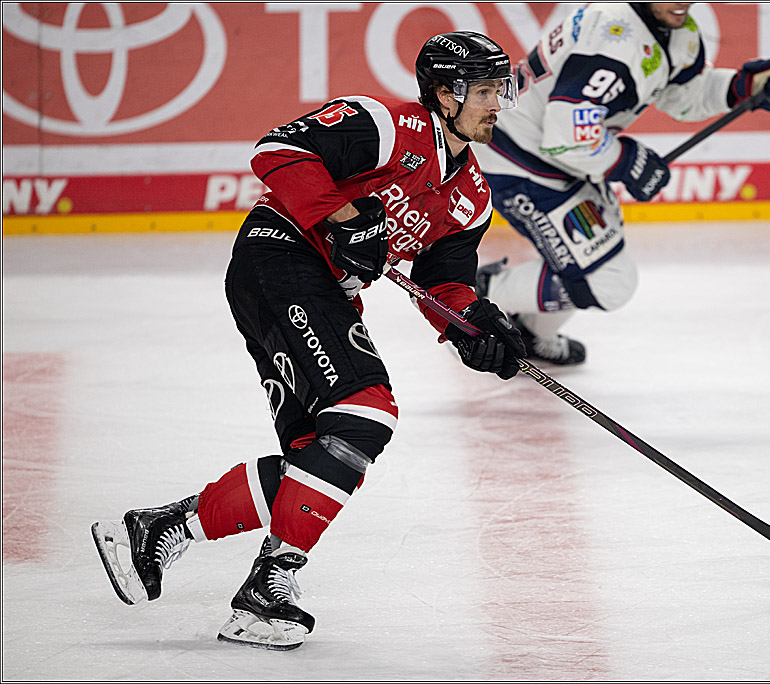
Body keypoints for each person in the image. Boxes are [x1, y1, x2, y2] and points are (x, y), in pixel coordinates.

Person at [90, 30, 525, 651]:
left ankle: (161, 530)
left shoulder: (472, 196)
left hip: (324, 291)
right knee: (364, 415)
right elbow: (276, 152)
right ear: (444, 93)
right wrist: (345, 219)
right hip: (280, 258)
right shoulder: (385, 124)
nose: (497, 104)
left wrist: (476, 328)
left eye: (499, 90)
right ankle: (267, 589)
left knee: (320, 461)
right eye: (484, 91)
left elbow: (445, 282)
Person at [474, 2, 770, 365]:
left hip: (555, 157)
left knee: (600, 250)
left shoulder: (670, 28)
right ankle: (478, 298)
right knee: (608, 281)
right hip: (522, 160)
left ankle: (532, 332)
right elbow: (568, 134)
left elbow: (684, 96)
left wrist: (747, 86)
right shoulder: (615, 37)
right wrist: (628, 162)